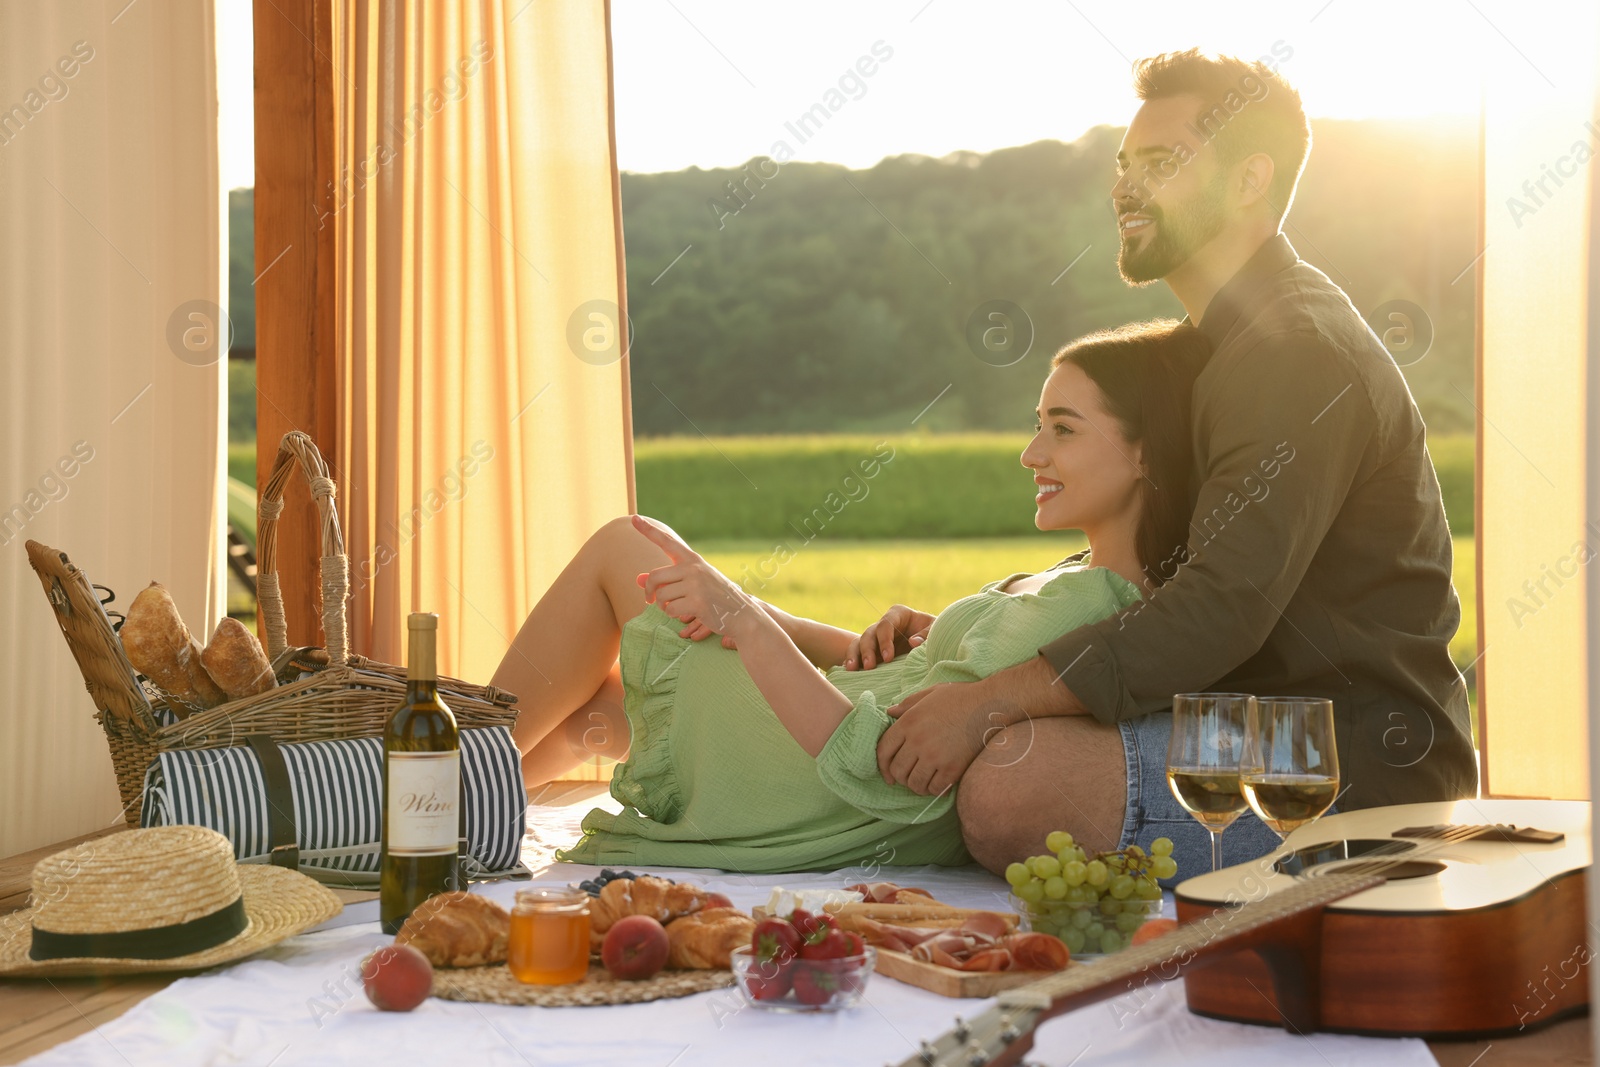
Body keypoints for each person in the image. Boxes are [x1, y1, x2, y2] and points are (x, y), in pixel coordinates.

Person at [874, 49, 1479, 875]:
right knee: (998, 745)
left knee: (1012, 783)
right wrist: (974, 633)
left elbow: (1218, 607)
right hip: (1233, 716)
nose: (1126, 187)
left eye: (1162, 163)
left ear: (1248, 179)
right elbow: (1152, 560)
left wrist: (988, 700)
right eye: (1125, 165)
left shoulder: (1293, 349)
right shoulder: (1215, 347)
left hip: (1347, 752)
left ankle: (1198, 914)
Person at [490, 321, 1211, 873]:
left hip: (820, 780)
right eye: (1037, 424)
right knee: (606, 703)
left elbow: (877, 763)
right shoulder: (1076, 577)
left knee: (625, 546)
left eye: (1064, 429)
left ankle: (430, 781)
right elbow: (920, 687)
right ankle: (463, 804)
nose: (1031, 452)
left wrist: (743, 616)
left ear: (1146, 451)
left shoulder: (1089, 606)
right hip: (819, 733)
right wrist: (873, 636)